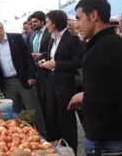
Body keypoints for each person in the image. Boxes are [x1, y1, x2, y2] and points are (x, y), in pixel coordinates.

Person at [68, 0, 122, 156]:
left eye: (79, 18)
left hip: (105, 139)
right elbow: (120, 89)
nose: (77, 25)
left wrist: (84, 98)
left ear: (93, 15)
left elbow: (99, 102)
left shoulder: (96, 51)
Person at [38, 10, 83, 154]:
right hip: (51, 81)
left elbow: (78, 61)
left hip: (65, 83)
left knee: (66, 118)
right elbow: (52, 55)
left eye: (48, 22)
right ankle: (56, 148)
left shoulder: (72, 39)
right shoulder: (52, 38)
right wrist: (44, 59)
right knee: (51, 116)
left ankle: (70, 150)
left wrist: (57, 64)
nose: (46, 25)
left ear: (55, 22)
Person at [27, 11, 52, 117]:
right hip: (36, 71)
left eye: (35, 21)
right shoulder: (31, 35)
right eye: (31, 22)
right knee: (39, 99)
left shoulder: (50, 32)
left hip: (48, 70)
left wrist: (41, 55)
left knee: (48, 100)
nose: (33, 24)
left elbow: (54, 51)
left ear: (43, 21)